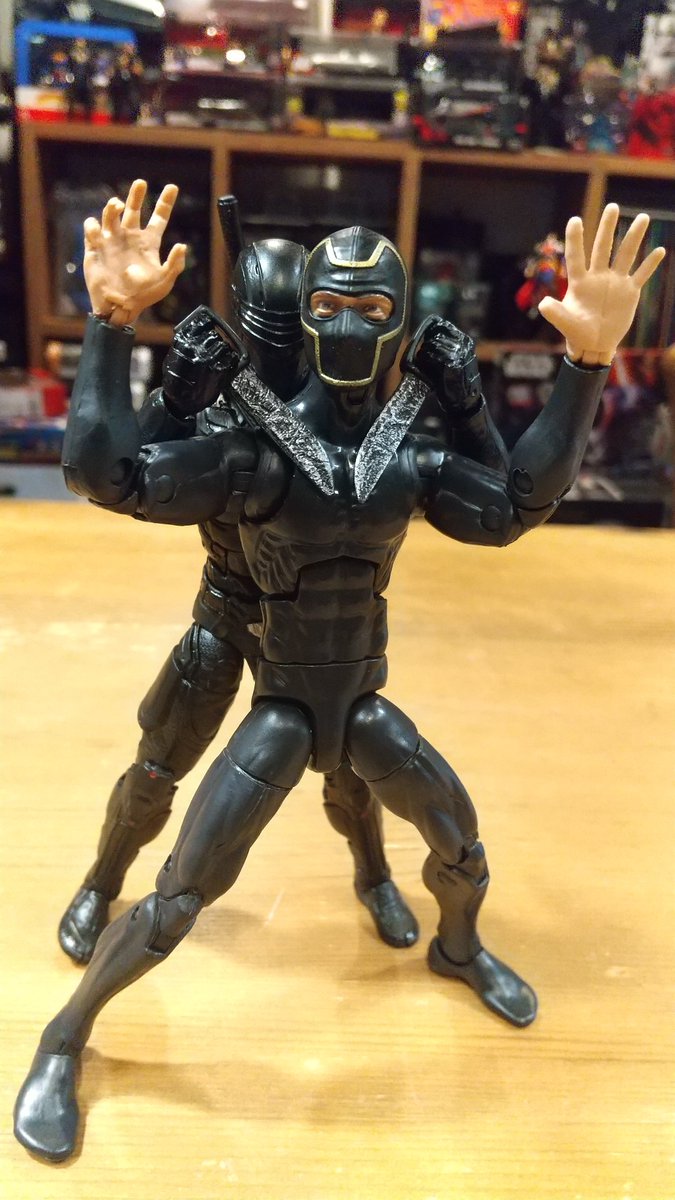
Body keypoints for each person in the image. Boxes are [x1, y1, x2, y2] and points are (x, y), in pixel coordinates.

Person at [14, 182, 663, 1162]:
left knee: (461, 848)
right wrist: (114, 330)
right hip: (268, 684)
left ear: (400, 319)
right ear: (299, 315)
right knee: (180, 885)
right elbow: (107, 473)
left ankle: (457, 946)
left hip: (359, 698)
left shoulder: (405, 449)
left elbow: (513, 505)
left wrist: (585, 363)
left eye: (371, 308)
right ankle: (66, 1035)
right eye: (327, 305)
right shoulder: (255, 448)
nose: (348, 327)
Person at [57, 209, 508, 966]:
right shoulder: (220, 393)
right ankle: (102, 881)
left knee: (351, 763)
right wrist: (174, 396)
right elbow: (123, 474)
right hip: (228, 609)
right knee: (159, 764)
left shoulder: (338, 398)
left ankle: (373, 875)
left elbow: (492, 494)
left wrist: (463, 403)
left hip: (319, 629)